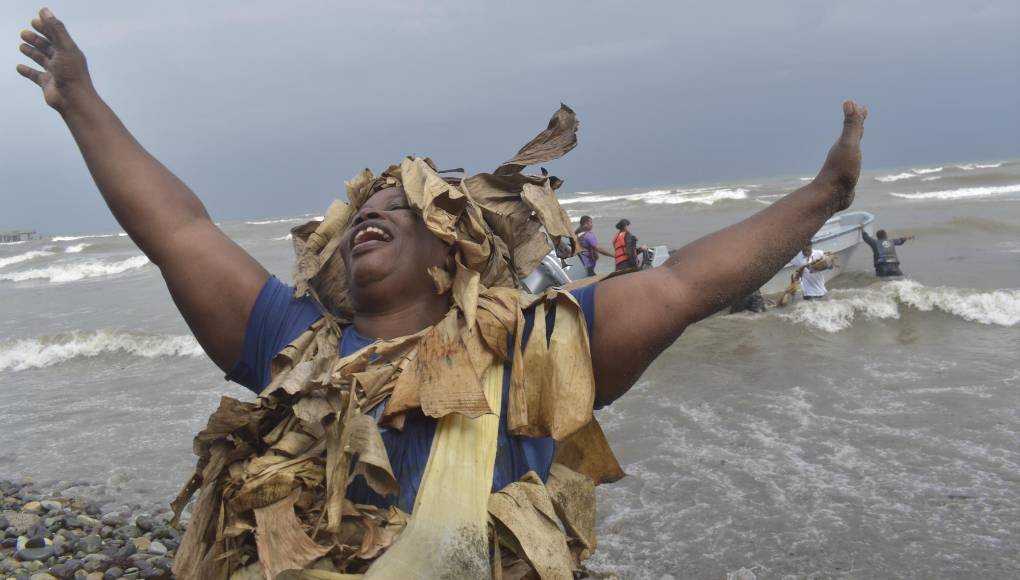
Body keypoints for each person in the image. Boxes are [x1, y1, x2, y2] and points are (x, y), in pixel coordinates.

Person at [16, 8, 867, 577]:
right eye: (359, 214)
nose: (366, 220)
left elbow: (683, 284)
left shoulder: (532, 349)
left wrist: (822, 196)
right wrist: (81, 102)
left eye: (397, 209)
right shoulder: (293, 335)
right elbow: (180, 232)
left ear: (451, 247)